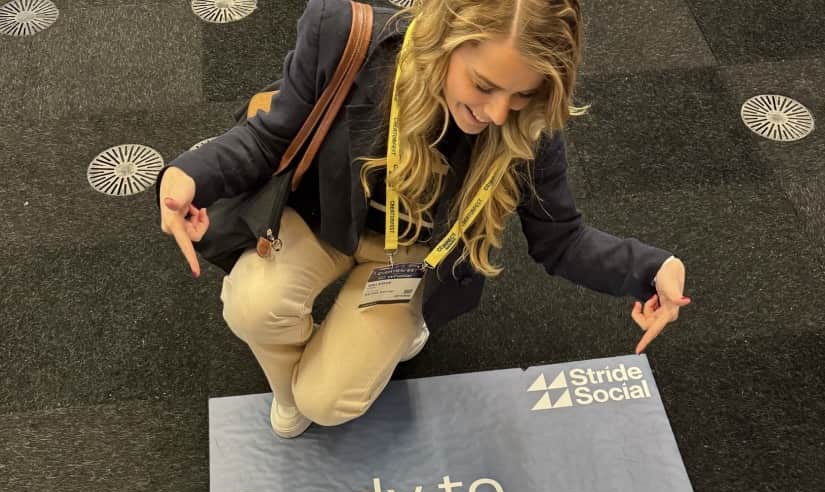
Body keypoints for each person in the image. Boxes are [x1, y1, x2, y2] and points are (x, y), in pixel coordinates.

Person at [158, 0, 690, 439]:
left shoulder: (530, 126)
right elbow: (272, 135)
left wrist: (652, 267)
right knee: (252, 306)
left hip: (410, 255)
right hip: (322, 217)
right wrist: (188, 175)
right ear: (445, 37)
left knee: (325, 401)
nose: (498, 113)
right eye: (483, 85)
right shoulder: (343, 34)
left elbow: (561, 240)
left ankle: (371, 346)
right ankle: (291, 385)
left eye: (522, 93)